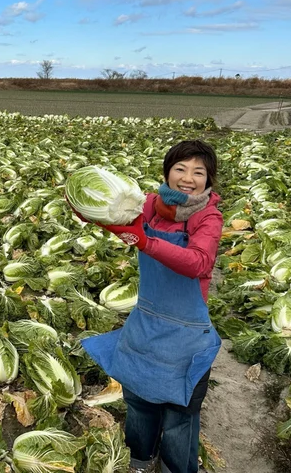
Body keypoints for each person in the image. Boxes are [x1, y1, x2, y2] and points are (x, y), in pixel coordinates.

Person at [68, 140, 223, 473]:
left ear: (209, 180)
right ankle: (139, 461)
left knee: (181, 413)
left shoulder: (207, 218)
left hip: (187, 333)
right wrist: (87, 208)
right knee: (138, 402)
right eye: (180, 168)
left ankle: (174, 468)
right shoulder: (151, 205)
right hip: (146, 322)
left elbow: (198, 262)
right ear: (167, 172)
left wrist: (146, 242)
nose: (187, 178)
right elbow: (110, 213)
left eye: (198, 172)